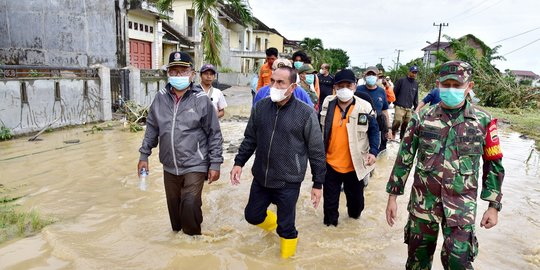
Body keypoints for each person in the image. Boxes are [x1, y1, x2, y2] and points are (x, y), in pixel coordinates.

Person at [385, 61, 505, 269]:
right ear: (438, 84)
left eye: (457, 85)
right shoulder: (422, 117)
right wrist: (392, 197)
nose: (450, 89)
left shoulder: (483, 121)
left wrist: (493, 206)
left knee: (458, 263)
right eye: (446, 84)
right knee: (417, 263)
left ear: (470, 86)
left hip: (461, 208)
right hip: (423, 206)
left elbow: (493, 164)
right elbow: (404, 158)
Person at [230, 66, 326, 258]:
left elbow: (316, 151)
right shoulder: (260, 107)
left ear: (292, 87)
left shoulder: (306, 113)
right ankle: (273, 225)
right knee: (252, 215)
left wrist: (318, 183)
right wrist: (239, 162)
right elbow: (250, 138)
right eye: (272, 81)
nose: (274, 85)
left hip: (288, 181)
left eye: (280, 82)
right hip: (261, 176)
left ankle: (285, 261)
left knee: (287, 227)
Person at [137, 51, 223, 236]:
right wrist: (144, 155)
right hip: (169, 166)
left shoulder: (201, 100)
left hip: (195, 164)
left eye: (183, 71)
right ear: (168, 73)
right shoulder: (160, 98)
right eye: (173, 71)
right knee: (175, 218)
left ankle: (193, 246)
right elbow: (152, 127)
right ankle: (179, 245)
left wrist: (215, 163)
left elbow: (214, 133)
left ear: (192, 74)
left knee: (190, 203)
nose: (178, 75)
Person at [319, 69, 379, 226]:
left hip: (355, 165)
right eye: (340, 86)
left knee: (356, 209)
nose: (344, 88)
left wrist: (373, 152)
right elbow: (319, 130)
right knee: (329, 210)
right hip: (330, 165)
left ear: (354, 86)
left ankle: (353, 225)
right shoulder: (327, 104)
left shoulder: (365, 107)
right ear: (335, 88)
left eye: (348, 85)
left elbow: (374, 132)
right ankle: (331, 233)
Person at [356, 66, 392, 152]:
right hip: (361, 124)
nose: (371, 76)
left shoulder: (381, 91)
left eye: (373, 74)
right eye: (369, 74)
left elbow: (385, 111)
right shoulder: (358, 90)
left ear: (377, 77)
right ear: (365, 76)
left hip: (378, 125)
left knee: (378, 150)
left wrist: (388, 129)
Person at [392, 65, 419, 141]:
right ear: (409, 72)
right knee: (398, 121)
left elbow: (415, 97)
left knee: (406, 124)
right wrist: (395, 102)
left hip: (409, 108)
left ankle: (402, 138)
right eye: (413, 72)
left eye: (416, 73)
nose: (414, 74)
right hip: (399, 106)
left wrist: (416, 108)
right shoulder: (401, 81)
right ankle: (394, 131)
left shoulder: (416, 84)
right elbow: (394, 92)